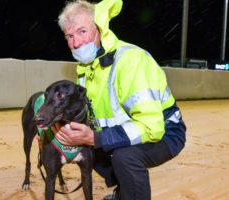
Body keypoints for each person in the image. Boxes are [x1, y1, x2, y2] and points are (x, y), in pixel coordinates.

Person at [54, 0, 186, 199]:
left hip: (165, 131)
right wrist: (53, 128)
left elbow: (152, 127)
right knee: (85, 144)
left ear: (98, 28)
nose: (75, 43)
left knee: (124, 156)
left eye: (82, 31)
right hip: (127, 128)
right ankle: (125, 191)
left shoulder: (131, 61)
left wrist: (96, 138)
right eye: (69, 36)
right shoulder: (85, 68)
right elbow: (86, 116)